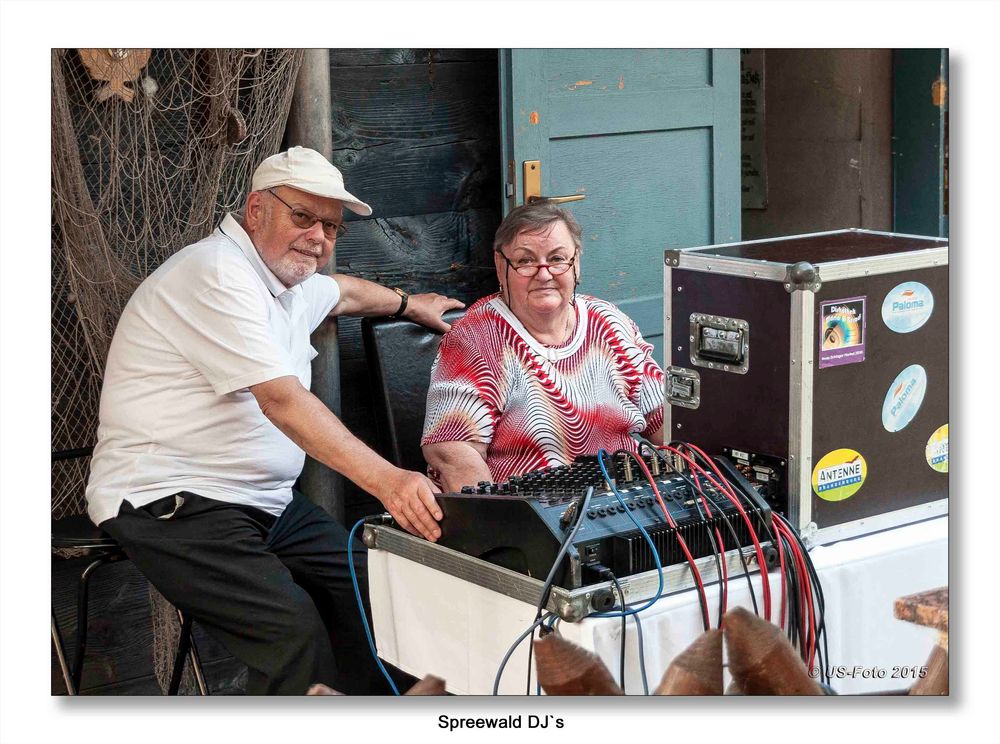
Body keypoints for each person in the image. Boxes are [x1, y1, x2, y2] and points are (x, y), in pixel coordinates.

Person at [85, 146, 462, 694]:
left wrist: (409, 304)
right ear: (256, 209)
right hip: (171, 500)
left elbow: (348, 293)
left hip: (264, 503)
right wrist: (388, 480)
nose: (318, 237)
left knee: (376, 590)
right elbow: (280, 400)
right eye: (302, 217)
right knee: (294, 634)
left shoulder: (289, 285)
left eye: (331, 227)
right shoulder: (215, 273)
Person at [422, 201, 665, 492]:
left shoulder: (609, 322)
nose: (544, 273)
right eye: (525, 261)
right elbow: (454, 452)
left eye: (557, 258)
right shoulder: (477, 339)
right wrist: (500, 526)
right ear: (501, 267)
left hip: (625, 502)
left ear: (576, 263)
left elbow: (665, 420)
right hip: (530, 513)